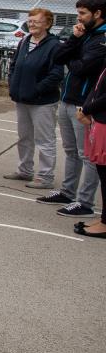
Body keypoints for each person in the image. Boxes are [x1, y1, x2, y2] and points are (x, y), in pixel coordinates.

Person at [48, 0, 106, 216]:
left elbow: (83, 68)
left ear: (97, 13)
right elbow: (57, 57)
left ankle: (85, 202)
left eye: (83, 13)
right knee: (71, 150)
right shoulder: (84, 34)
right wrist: (74, 39)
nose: (78, 18)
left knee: (87, 155)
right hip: (67, 98)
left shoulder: (102, 39)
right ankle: (67, 192)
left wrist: (70, 60)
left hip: (85, 105)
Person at [4, 8, 64, 189]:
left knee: (45, 140)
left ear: (47, 23)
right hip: (22, 99)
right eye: (30, 21)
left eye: (36, 21)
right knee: (24, 137)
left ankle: (45, 177)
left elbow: (56, 74)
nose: (32, 24)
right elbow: (14, 65)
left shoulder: (55, 45)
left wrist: (37, 90)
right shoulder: (24, 41)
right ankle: (24, 170)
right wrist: (13, 84)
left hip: (42, 102)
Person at [73, 71, 106, 237]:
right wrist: (85, 109)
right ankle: (104, 219)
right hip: (100, 119)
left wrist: (86, 109)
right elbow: (97, 87)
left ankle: (105, 224)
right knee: (102, 171)